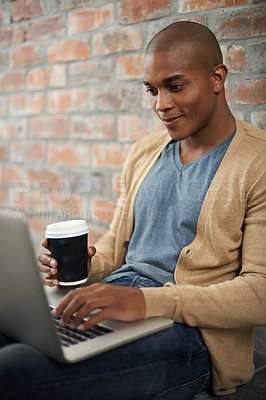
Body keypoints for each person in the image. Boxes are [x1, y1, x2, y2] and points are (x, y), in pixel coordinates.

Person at [0, 21, 265, 400]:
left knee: (15, 371)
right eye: (152, 90)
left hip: (191, 335)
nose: (161, 105)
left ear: (218, 77)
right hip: (120, 300)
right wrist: (88, 267)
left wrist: (144, 302)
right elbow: (118, 246)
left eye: (175, 86)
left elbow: (261, 292)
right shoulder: (145, 152)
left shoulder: (258, 161)